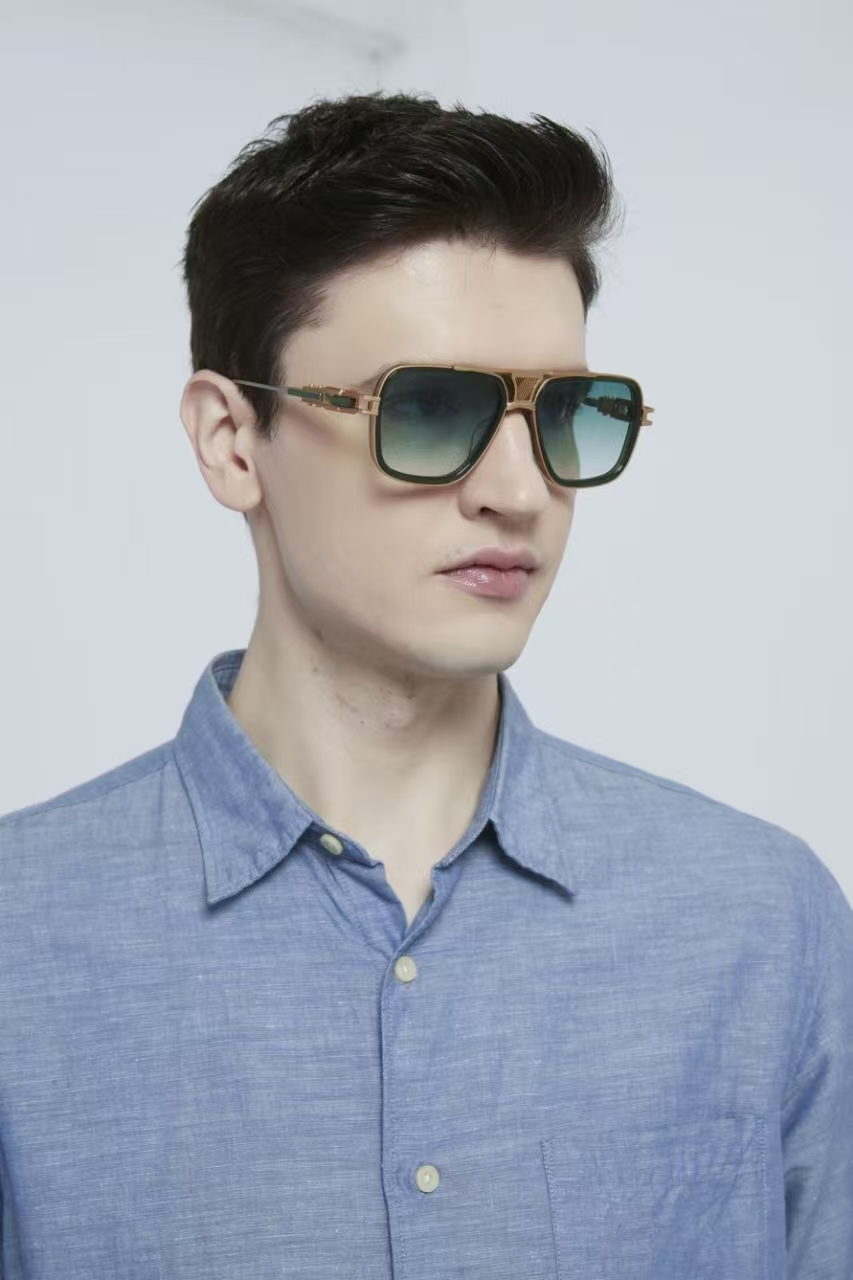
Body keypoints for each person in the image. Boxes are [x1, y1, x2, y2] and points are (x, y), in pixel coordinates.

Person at [0, 90, 850, 1280]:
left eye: (566, 412)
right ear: (233, 441)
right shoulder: (23, 935)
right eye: (432, 407)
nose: (520, 490)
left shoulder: (760, 921)